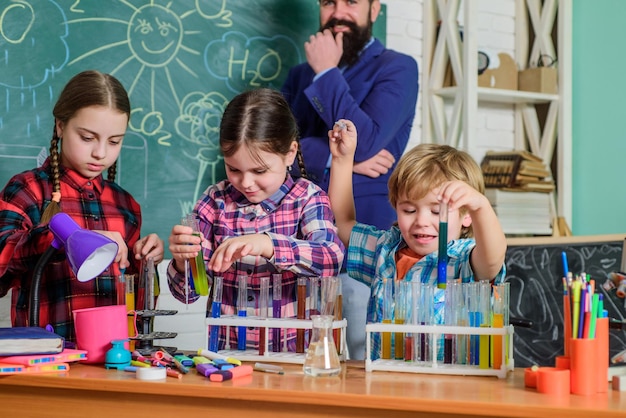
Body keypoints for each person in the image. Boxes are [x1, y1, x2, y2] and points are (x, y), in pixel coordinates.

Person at [281, 0, 419, 359]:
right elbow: (278, 153)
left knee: (364, 360)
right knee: (301, 364)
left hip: (363, 245)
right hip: (300, 245)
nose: (339, 12)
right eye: (329, 2)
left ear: (375, 9)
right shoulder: (299, 75)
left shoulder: (398, 68)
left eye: (352, 2)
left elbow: (368, 140)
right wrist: (336, 155)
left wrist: (327, 72)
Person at [166, 88, 345, 351]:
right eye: (234, 169)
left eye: (259, 170)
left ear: (290, 154)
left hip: (295, 360)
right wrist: (184, 263)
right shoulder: (213, 201)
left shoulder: (307, 198)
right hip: (228, 359)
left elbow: (331, 258)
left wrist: (268, 244)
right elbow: (189, 293)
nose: (246, 183)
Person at [0, 70, 164, 340]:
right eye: (87, 138)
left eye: (114, 141)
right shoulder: (28, 190)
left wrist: (146, 264)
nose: (100, 153)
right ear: (60, 125)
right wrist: (69, 239)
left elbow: (141, 308)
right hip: (48, 360)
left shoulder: (126, 206)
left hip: (113, 359)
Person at [327, 119, 507, 360]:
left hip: (450, 389)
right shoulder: (385, 250)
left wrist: (481, 207)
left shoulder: (464, 259)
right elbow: (342, 225)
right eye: (409, 210)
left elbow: (494, 259)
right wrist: (342, 160)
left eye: (436, 211)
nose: (421, 221)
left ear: (466, 216)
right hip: (386, 384)